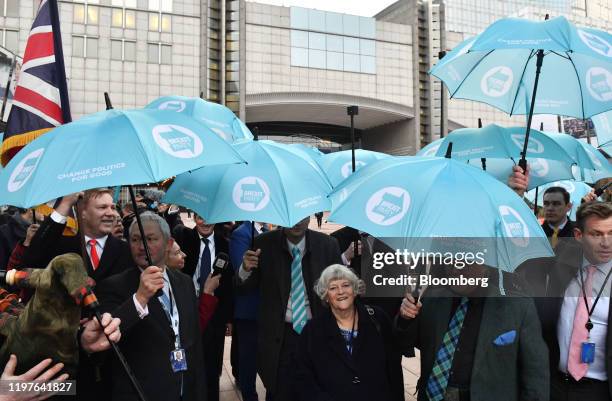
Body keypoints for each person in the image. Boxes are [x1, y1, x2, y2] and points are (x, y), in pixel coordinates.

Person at [397, 263, 549, 401]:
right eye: (450, 261)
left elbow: (535, 374)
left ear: (485, 266)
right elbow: (405, 342)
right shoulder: (433, 297)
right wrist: (406, 317)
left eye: (465, 263)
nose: (456, 269)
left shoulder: (517, 307)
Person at [96, 212, 205, 401]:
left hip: (184, 389)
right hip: (143, 393)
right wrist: (140, 298)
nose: (141, 247)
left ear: (169, 243)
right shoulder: (113, 286)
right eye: (135, 239)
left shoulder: (184, 282)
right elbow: (106, 341)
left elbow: (194, 343)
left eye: (150, 239)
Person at [238, 216, 342, 401]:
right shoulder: (263, 244)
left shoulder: (327, 245)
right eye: (291, 217)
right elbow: (245, 288)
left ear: (310, 217)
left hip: (315, 334)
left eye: (302, 216)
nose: (297, 221)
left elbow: (340, 288)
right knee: (279, 391)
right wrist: (245, 269)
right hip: (279, 337)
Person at [533, 201, 612, 401]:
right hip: (554, 385)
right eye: (596, 234)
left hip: (601, 391)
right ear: (578, 236)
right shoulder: (562, 260)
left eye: (611, 233)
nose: (606, 242)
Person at [293, 264, 405, 401]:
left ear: (355, 290)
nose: (341, 291)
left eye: (346, 285)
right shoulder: (312, 330)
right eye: (333, 287)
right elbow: (304, 377)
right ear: (325, 295)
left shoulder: (377, 318)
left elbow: (394, 368)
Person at [173, 215, 234, 401]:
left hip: (215, 313)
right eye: (200, 218)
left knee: (212, 365)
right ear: (193, 217)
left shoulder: (225, 243)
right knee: (185, 362)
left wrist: (228, 318)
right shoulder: (182, 240)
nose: (205, 222)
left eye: (210, 218)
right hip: (187, 311)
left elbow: (229, 284)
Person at [22, 189, 132, 284]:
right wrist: (65, 204)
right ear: (82, 212)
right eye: (102, 207)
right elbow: (33, 259)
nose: (111, 213)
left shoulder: (127, 250)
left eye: (112, 207)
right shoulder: (64, 247)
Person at [229, 221, 267, 401]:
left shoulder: (269, 232)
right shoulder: (241, 234)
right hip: (249, 310)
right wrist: (246, 266)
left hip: (269, 310)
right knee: (248, 362)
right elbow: (240, 274)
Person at [541, 186, 575, 251]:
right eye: (546, 204)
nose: (550, 208)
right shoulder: (537, 232)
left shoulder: (578, 232)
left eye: (556, 204)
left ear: (568, 206)